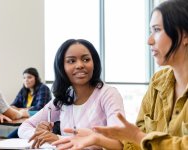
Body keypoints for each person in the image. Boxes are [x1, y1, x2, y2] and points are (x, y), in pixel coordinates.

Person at [52, 0, 188, 149]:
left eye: (156, 30)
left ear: (184, 35)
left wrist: (136, 136)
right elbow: (138, 145)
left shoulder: (107, 93)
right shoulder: (158, 82)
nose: (149, 40)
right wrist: (98, 139)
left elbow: (141, 138)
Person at [18, 39, 125, 149]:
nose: (79, 65)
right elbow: (24, 127)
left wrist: (58, 139)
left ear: (94, 63)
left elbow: (119, 144)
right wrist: (41, 135)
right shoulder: (63, 97)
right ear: (61, 67)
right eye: (71, 61)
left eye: (86, 59)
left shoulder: (108, 94)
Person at [7, 67, 52, 138]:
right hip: (26, 122)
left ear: (36, 78)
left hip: (40, 123)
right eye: (24, 78)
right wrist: (22, 110)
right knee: (10, 138)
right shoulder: (24, 90)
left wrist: (22, 111)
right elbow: (13, 105)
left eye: (29, 77)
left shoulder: (43, 88)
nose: (26, 80)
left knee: (11, 137)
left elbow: (40, 107)